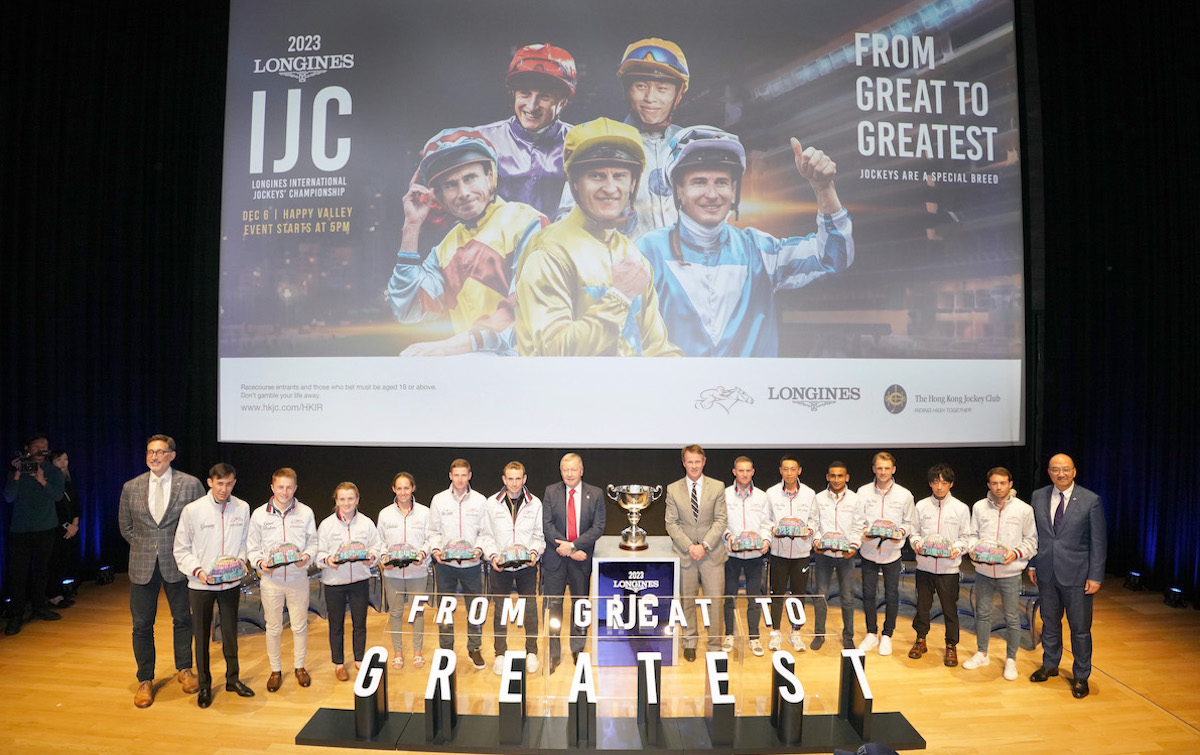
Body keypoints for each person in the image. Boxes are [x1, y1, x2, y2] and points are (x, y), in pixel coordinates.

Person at [637, 126, 854, 356]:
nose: (712, 194)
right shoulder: (648, 251)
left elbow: (833, 257)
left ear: (733, 191)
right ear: (678, 191)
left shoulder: (759, 250)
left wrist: (823, 188)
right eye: (699, 182)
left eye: (721, 182)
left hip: (751, 391)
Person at [514, 117, 681, 356]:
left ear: (633, 184)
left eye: (620, 176)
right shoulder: (548, 252)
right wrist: (619, 297)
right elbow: (552, 354)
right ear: (575, 184)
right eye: (597, 176)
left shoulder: (633, 254)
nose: (610, 188)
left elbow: (656, 348)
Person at [387, 129, 547, 356]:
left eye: (470, 178)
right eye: (451, 185)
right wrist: (412, 227)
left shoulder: (528, 222)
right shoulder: (444, 249)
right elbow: (407, 309)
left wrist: (447, 347)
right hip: (475, 370)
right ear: (440, 197)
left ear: (490, 177)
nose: (463, 193)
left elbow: (526, 309)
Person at [117, 434, 204, 707]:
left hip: (177, 563)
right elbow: (126, 527)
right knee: (142, 624)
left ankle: (185, 669)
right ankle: (145, 679)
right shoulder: (131, 487)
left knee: (182, 618)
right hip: (142, 564)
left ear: (172, 455)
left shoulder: (190, 485)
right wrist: (147, 547)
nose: (154, 457)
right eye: (150, 452)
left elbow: (201, 522)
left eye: (160, 452)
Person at [173, 462, 255, 708]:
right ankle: (205, 685)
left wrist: (240, 561)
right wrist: (198, 571)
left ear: (234, 483)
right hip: (200, 585)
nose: (224, 489)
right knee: (202, 636)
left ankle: (233, 679)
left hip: (230, 583)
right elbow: (181, 548)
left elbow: (244, 542)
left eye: (229, 484)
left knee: (230, 632)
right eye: (220, 483)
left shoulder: (242, 507)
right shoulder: (193, 510)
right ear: (210, 482)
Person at [1028, 454, 1107, 699]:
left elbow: (1098, 541)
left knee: (1080, 629)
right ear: (1049, 473)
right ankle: (1050, 664)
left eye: (1065, 469)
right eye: (1055, 470)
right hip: (1046, 572)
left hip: (1077, 575)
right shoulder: (1038, 496)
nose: (1060, 474)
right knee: (1049, 622)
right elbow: (1035, 534)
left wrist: (1095, 576)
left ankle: (1081, 675)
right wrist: (1032, 564)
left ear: (1074, 471)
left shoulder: (1090, 500)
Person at [476, 43, 577, 218]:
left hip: (558, 243)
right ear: (513, 94)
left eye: (544, 96)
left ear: (563, 101)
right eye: (525, 93)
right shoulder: (480, 140)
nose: (532, 106)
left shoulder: (581, 143)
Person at [246, 467, 318, 692]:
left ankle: (300, 666)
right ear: (272, 487)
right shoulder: (259, 514)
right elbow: (252, 548)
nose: (284, 492)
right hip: (271, 580)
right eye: (280, 487)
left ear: (295, 488)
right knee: (274, 627)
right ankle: (275, 670)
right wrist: (260, 563)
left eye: (289, 487)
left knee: (299, 626)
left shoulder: (305, 512)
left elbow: (313, 543)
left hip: (297, 578)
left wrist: (306, 557)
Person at [963, 467, 1037, 681]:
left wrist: (1015, 554)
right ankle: (982, 653)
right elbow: (971, 535)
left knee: (1012, 616)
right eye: (994, 483)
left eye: (1002, 483)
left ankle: (1011, 659)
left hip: (1010, 572)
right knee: (983, 612)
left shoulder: (1024, 509)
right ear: (989, 485)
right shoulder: (979, 507)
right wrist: (974, 550)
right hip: (984, 570)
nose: (998, 487)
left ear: (1010, 484)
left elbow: (1032, 541)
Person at [542, 453, 605, 674]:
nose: (569, 474)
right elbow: (547, 526)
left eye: (573, 469)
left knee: (580, 605)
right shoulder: (551, 492)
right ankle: (553, 653)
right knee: (553, 608)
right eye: (565, 469)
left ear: (581, 470)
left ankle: (578, 649)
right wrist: (569, 550)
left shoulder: (595, 494)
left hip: (581, 560)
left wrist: (574, 546)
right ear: (561, 471)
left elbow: (598, 527)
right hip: (555, 559)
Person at [664, 444, 728, 660]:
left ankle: (715, 645)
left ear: (704, 462)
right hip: (686, 554)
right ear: (684, 463)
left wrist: (705, 545)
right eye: (689, 462)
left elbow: (721, 520)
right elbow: (671, 523)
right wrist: (690, 546)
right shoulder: (673, 489)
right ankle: (689, 641)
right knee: (687, 601)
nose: (693, 466)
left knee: (716, 602)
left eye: (697, 462)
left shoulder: (717, 487)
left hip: (712, 554)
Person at [428, 459, 491, 669]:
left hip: (472, 566)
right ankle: (446, 650)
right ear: (450, 476)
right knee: (445, 608)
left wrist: (478, 551)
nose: (460, 479)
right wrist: (436, 551)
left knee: (475, 608)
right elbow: (433, 532)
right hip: (445, 566)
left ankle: (474, 648)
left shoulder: (481, 501)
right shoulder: (438, 500)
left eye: (464, 475)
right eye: (457, 475)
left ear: (470, 475)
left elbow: (485, 533)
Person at [481, 461, 544, 674]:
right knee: (500, 610)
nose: (514, 483)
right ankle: (500, 654)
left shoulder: (535, 503)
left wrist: (534, 553)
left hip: (527, 566)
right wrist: (492, 557)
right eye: (510, 479)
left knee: (530, 610)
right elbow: (486, 535)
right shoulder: (491, 503)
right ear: (504, 480)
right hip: (500, 567)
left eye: (518, 479)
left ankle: (532, 652)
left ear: (524, 479)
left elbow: (539, 536)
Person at [907, 463, 971, 667]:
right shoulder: (921, 506)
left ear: (951, 484)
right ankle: (920, 640)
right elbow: (914, 531)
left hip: (948, 569)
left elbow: (966, 537)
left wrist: (957, 549)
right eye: (935, 482)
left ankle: (951, 646)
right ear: (930, 484)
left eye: (944, 482)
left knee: (949, 609)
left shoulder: (960, 508)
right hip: (924, 567)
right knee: (922, 607)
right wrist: (916, 543)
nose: (939, 487)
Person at [317, 482, 382, 682]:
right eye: (342, 499)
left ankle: (359, 659)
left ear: (357, 500)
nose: (347, 503)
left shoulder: (367, 523)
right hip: (334, 582)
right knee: (336, 625)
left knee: (359, 623)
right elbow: (319, 554)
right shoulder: (327, 525)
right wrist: (329, 561)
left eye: (351, 498)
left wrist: (371, 558)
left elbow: (377, 548)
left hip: (359, 581)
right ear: (336, 501)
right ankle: (338, 663)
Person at [856, 452, 916, 657]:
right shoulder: (862, 492)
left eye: (887, 468)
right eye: (879, 468)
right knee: (869, 594)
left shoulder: (905, 495)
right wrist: (862, 531)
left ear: (894, 470)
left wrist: (901, 533)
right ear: (873, 469)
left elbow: (909, 524)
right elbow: (858, 520)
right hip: (869, 551)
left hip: (892, 554)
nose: (883, 472)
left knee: (892, 595)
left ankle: (887, 635)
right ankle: (871, 633)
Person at [5, 434, 66, 635]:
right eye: (37, 447)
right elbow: (8, 497)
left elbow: (58, 496)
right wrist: (16, 474)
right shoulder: (17, 470)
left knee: (41, 572)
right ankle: (16, 616)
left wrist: (42, 480)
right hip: (20, 531)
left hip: (46, 528)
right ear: (27, 449)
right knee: (18, 575)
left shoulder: (53, 472)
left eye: (45, 447)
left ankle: (40, 608)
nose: (41, 451)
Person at [375, 472, 432, 671]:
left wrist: (423, 554)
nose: (403, 492)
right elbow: (379, 542)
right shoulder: (385, 514)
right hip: (393, 574)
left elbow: (430, 538)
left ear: (413, 488)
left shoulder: (425, 513)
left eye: (406, 488)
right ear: (393, 489)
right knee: (396, 613)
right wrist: (384, 560)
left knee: (417, 612)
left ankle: (417, 652)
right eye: (399, 488)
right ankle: (398, 652)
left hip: (418, 571)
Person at [765, 455, 818, 652]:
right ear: (780, 471)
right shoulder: (771, 493)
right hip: (778, 552)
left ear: (799, 471)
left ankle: (796, 632)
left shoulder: (810, 494)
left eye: (793, 469)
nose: (789, 473)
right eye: (785, 469)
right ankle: (776, 632)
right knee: (776, 594)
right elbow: (766, 519)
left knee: (798, 594)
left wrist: (809, 531)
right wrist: (773, 529)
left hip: (801, 553)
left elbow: (814, 519)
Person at [721, 456, 772, 656]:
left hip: (754, 556)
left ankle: (754, 637)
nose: (744, 474)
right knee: (729, 597)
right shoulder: (724, 495)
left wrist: (766, 541)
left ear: (753, 472)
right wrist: (729, 537)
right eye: (740, 471)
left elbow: (767, 523)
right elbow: (721, 522)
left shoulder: (761, 496)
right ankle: (728, 634)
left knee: (754, 597)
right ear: (734, 472)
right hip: (731, 555)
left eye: (748, 470)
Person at [810, 461, 863, 650]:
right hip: (824, 555)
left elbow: (859, 526)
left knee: (848, 598)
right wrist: (817, 541)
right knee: (820, 596)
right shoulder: (818, 498)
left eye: (840, 476)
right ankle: (819, 634)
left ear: (847, 477)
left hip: (846, 556)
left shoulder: (855, 500)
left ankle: (848, 636)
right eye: (833, 475)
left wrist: (854, 546)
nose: (836, 479)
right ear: (827, 477)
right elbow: (813, 523)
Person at [47, 449, 81, 608]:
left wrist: (75, 524)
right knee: (55, 562)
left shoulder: (69, 482)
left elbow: (76, 506)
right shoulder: (50, 484)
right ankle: (54, 595)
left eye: (65, 459)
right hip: (56, 529)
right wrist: (67, 526)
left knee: (66, 560)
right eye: (58, 460)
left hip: (71, 529)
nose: (63, 463)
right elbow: (53, 509)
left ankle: (65, 589)